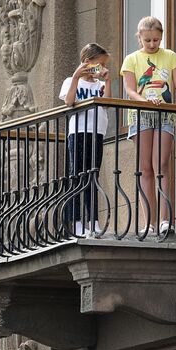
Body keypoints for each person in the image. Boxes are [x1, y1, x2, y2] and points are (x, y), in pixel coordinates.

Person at [120, 15, 176, 233]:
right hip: (141, 114)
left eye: (156, 40)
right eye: (148, 40)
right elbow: (130, 90)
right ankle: (149, 223)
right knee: (146, 169)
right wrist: (145, 101)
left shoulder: (170, 56)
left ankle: (165, 220)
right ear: (140, 38)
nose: (152, 44)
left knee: (161, 165)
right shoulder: (131, 59)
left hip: (164, 115)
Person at [59, 43, 111, 237]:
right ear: (87, 62)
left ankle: (93, 220)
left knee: (92, 176)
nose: (101, 68)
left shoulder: (99, 85)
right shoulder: (71, 81)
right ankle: (76, 221)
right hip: (78, 132)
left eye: (104, 65)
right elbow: (69, 101)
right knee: (76, 176)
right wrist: (76, 76)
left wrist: (108, 80)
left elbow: (106, 103)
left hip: (97, 132)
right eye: (99, 65)